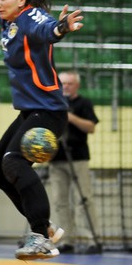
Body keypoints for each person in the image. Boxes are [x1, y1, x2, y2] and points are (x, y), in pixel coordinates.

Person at [0, 0, 84, 261]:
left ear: (21, 0)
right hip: (31, 111)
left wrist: (61, 27)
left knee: (14, 162)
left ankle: (41, 236)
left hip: (49, 111)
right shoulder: (9, 21)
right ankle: (47, 228)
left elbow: (48, 30)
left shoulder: (31, 17)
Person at [48, 70, 100, 254]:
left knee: (84, 199)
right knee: (60, 201)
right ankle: (66, 240)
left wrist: (70, 117)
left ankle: (92, 239)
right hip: (56, 158)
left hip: (78, 157)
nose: (66, 87)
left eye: (69, 83)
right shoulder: (52, 103)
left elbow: (91, 127)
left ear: (76, 85)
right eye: (63, 83)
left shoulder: (83, 103)